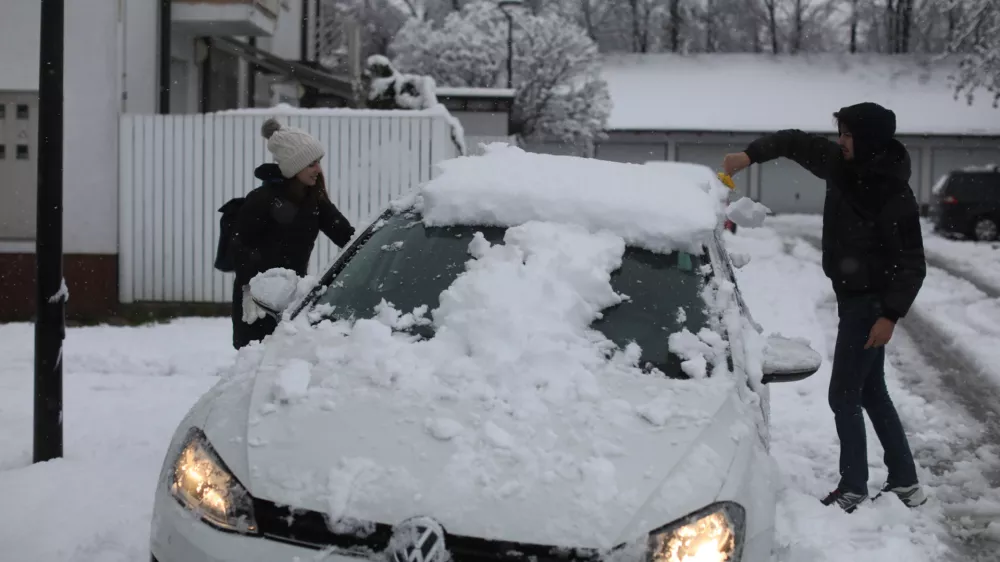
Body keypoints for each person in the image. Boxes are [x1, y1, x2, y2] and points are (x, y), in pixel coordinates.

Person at [722, 102, 928, 513]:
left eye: (849, 135)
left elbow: (912, 263)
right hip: (852, 298)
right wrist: (750, 154)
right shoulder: (841, 165)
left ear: (867, 139)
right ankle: (905, 481)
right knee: (871, 391)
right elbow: (795, 142)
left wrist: (889, 316)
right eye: (841, 134)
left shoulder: (892, 192)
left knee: (844, 395)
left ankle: (853, 486)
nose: (841, 141)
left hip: (870, 304)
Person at [230, 118, 355, 349]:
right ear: (293, 166)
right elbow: (239, 247)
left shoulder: (314, 201)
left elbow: (347, 237)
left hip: (292, 302)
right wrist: (250, 288)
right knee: (256, 367)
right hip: (257, 304)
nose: (318, 169)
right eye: (311, 163)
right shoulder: (262, 200)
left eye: (318, 162)